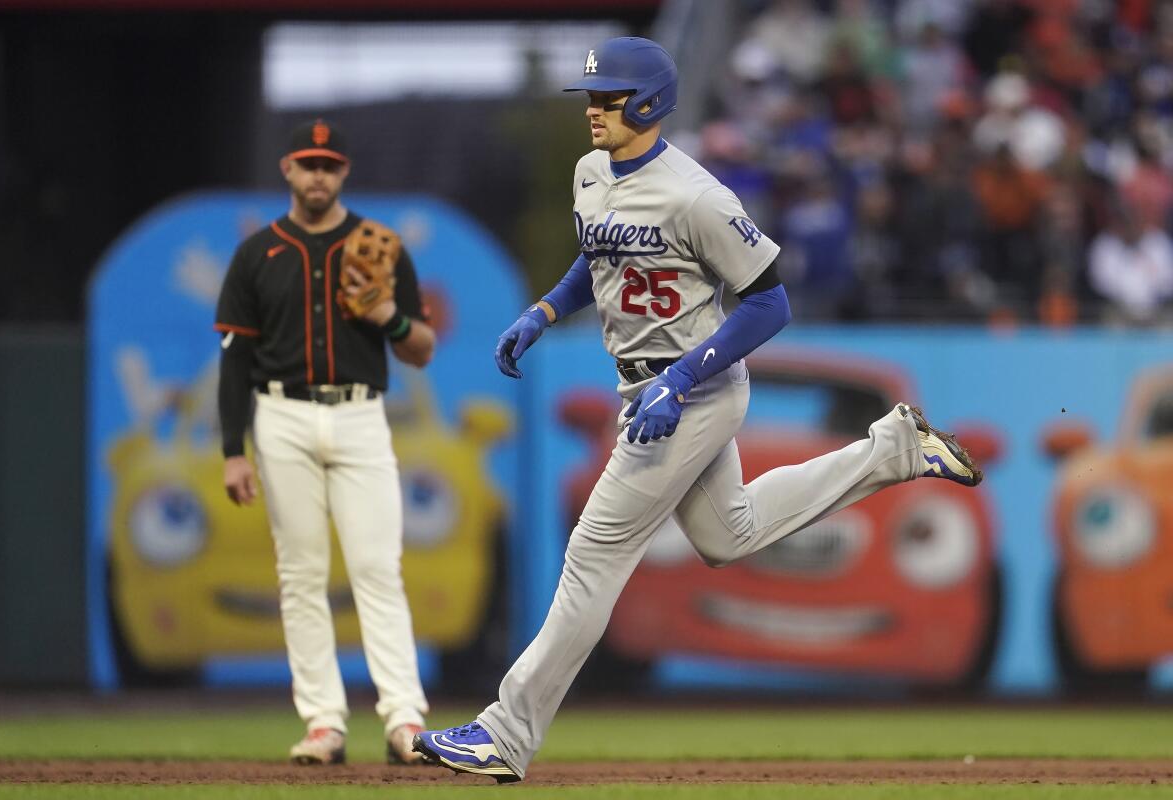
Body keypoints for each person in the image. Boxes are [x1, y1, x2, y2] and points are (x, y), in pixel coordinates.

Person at [412, 38, 983, 783]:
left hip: (693, 389)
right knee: (727, 533)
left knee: (593, 555)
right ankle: (892, 452)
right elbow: (601, 251)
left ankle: (505, 733)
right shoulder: (592, 173)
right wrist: (547, 309)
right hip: (646, 386)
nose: (595, 111)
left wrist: (680, 381)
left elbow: (770, 302)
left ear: (648, 103)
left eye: (609, 98)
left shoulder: (698, 195)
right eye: (591, 97)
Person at [214, 119, 436, 766]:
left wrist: (387, 317)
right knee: (301, 574)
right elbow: (234, 357)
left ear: (344, 172)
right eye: (308, 163)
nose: (318, 175)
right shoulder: (258, 253)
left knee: (377, 569)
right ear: (287, 168)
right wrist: (233, 449)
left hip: (360, 415)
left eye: (329, 165)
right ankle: (323, 724)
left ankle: (404, 719)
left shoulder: (378, 246)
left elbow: (421, 349)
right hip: (279, 416)